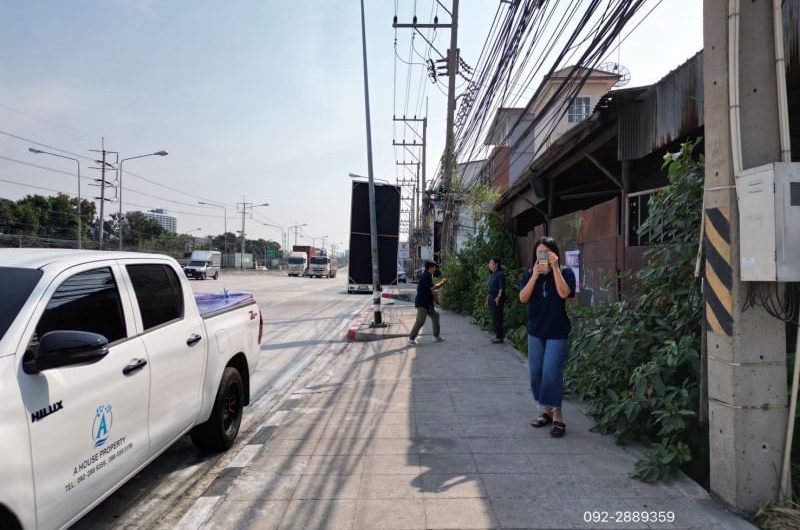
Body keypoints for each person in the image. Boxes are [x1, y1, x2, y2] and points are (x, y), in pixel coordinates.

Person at [518, 237, 576, 438]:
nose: (541, 256)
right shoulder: (529, 274)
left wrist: (556, 268)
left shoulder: (566, 272)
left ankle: (557, 415)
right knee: (535, 372)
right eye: (538, 253)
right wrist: (534, 276)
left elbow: (564, 293)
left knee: (552, 372)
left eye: (546, 252)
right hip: (536, 331)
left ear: (554, 253)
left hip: (557, 332)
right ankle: (546, 411)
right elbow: (523, 299)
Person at [408, 261, 448, 344]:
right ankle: (411, 339)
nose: (435, 269)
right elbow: (432, 288)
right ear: (430, 268)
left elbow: (431, 290)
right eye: (434, 267)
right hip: (422, 303)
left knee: (436, 316)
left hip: (427, 303)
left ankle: (436, 336)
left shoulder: (429, 275)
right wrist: (442, 283)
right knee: (420, 321)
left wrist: (435, 300)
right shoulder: (425, 276)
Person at [486, 257, 506, 343]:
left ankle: (499, 337)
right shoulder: (492, 275)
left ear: (496, 264)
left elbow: (501, 287)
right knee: (494, 317)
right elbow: (489, 288)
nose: (489, 265)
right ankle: (497, 335)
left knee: (498, 317)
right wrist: (487, 300)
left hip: (497, 298)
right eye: (489, 263)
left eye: (491, 263)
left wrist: (498, 297)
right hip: (491, 297)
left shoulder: (500, 274)